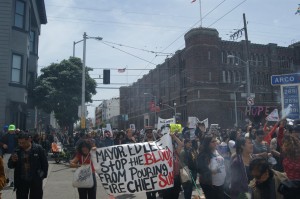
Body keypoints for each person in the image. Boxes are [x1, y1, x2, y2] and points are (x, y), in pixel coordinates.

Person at [8, 132, 48, 199]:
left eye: (23, 143)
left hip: (35, 180)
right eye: (19, 143)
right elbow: (10, 165)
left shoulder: (38, 149)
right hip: (21, 181)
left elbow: (45, 164)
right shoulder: (17, 150)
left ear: (29, 139)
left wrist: (42, 176)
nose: (21, 145)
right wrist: (12, 160)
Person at [197, 134, 226, 199]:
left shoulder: (217, 151)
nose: (215, 143)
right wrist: (210, 172)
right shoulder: (203, 155)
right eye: (213, 142)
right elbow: (200, 169)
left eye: (215, 141)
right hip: (210, 186)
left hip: (220, 185)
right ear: (207, 144)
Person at [162, 132, 183, 199]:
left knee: (175, 196)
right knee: (167, 196)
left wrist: (174, 137)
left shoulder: (176, 153)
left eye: (172, 145)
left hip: (176, 179)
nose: (171, 147)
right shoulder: (162, 154)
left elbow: (180, 144)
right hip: (166, 180)